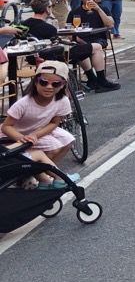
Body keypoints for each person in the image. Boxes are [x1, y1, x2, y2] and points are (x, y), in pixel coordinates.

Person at [0, 60, 79, 188]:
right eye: (44, 82)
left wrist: (36, 134)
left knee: (68, 140)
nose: (49, 87)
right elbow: (6, 126)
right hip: (14, 133)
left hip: (38, 128)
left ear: (63, 85)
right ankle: (41, 174)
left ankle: (40, 174)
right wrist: (22, 138)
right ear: (36, 81)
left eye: (55, 84)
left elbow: (54, 123)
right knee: (53, 148)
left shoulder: (62, 101)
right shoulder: (25, 103)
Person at [24, 0, 120, 91]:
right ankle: (101, 81)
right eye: (51, 6)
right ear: (47, 9)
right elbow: (56, 44)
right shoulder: (48, 28)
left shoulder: (24, 24)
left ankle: (92, 79)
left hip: (31, 57)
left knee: (81, 48)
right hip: (52, 56)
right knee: (97, 47)